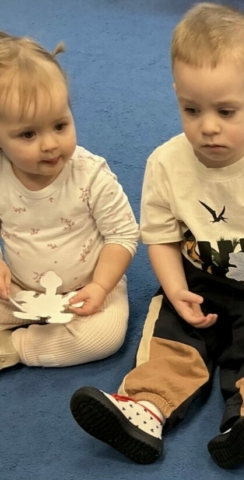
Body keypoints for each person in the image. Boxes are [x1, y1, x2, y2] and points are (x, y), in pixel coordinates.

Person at [70, 2, 244, 469]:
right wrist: (174, 289)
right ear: (177, 97)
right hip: (196, 283)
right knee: (172, 338)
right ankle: (146, 408)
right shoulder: (165, 164)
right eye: (191, 109)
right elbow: (161, 237)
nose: (208, 127)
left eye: (226, 111)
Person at [0, 32, 139, 371]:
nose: (50, 144)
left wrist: (101, 286)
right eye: (28, 134)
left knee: (104, 336)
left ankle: (17, 347)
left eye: (60, 125)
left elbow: (123, 235)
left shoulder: (90, 174)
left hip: (88, 288)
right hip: (17, 288)